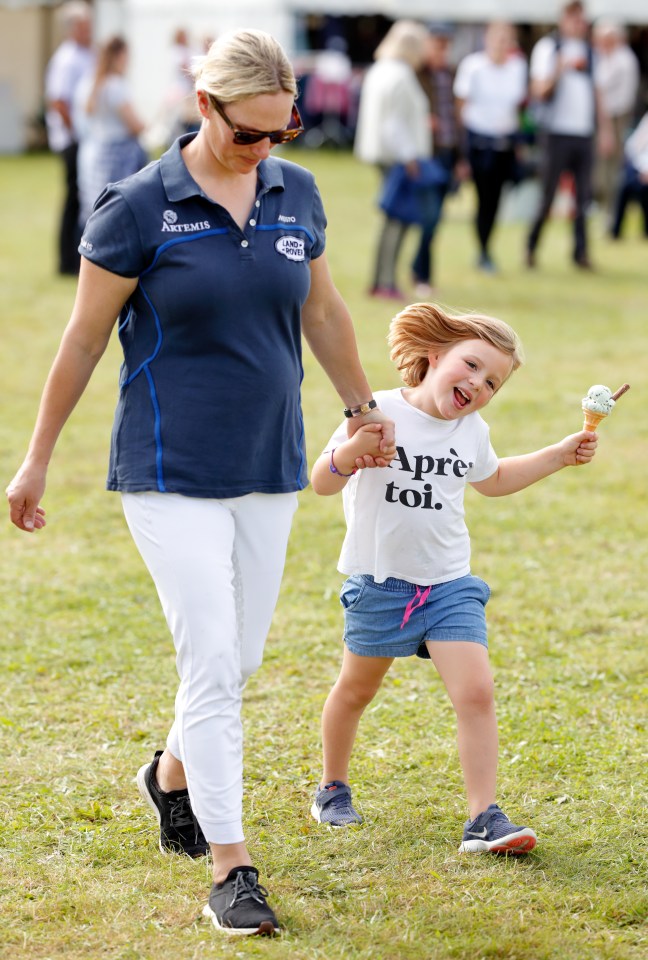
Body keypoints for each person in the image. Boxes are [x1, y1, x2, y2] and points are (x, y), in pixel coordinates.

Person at [6, 29, 394, 937]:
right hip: (168, 470)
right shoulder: (136, 206)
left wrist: (361, 405)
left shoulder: (296, 192)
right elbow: (82, 339)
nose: (265, 150)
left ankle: (169, 774)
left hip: (269, 462)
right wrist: (35, 458)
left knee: (241, 658)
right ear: (204, 104)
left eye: (281, 132)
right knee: (212, 661)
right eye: (247, 133)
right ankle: (232, 866)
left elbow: (324, 309)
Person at [308, 302, 599, 853]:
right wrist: (352, 452)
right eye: (470, 365)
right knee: (356, 690)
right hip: (381, 584)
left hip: (448, 584)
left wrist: (558, 456)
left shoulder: (471, 430)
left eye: (492, 382)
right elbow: (321, 481)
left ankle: (483, 817)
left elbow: (492, 479)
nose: (477, 384)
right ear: (434, 354)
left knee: (477, 692)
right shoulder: (375, 411)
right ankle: (332, 787)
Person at [526, 1, 613, 271]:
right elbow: (538, 90)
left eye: (581, 18)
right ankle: (531, 247)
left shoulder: (590, 51)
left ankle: (581, 253)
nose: (579, 23)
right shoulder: (549, 48)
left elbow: (597, 93)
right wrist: (559, 69)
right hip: (556, 131)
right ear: (563, 19)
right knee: (548, 194)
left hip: (583, 132)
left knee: (584, 197)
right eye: (574, 18)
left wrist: (605, 129)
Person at [354, 20, 432, 299]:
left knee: (392, 219)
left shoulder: (380, 69)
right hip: (398, 156)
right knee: (397, 220)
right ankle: (385, 281)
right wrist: (410, 157)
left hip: (382, 152)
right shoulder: (401, 74)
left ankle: (381, 280)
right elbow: (395, 123)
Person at [454, 21, 528, 273]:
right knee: (483, 198)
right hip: (479, 141)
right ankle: (483, 249)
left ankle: (486, 246)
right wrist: (461, 150)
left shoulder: (517, 68)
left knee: (496, 200)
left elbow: (517, 109)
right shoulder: (473, 66)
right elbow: (461, 106)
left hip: (505, 142)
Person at [44, 0, 94, 275]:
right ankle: (66, 260)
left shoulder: (87, 54)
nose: (89, 31)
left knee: (80, 196)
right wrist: (78, 134)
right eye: (84, 27)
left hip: (85, 138)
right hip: (73, 140)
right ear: (71, 29)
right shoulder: (66, 59)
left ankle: (76, 255)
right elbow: (59, 102)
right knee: (74, 196)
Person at [76, 36, 148, 226]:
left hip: (94, 152)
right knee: (120, 212)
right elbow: (134, 125)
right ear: (120, 55)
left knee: (95, 212)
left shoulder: (89, 83)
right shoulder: (116, 85)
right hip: (119, 156)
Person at [412, 23, 460, 296]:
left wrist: (460, 157)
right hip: (426, 154)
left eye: (445, 44)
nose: (442, 50)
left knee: (437, 217)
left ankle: (421, 270)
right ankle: (422, 275)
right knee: (428, 216)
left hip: (447, 152)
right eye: (437, 44)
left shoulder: (451, 75)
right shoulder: (417, 74)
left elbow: (458, 117)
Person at [593, 20, 640, 228]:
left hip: (616, 119)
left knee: (613, 170)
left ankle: (612, 217)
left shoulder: (622, 59)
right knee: (602, 170)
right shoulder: (608, 57)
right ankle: (606, 213)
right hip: (608, 118)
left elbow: (600, 87)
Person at [610, 111, 648, 238]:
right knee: (624, 185)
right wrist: (643, 168)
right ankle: (615, 231)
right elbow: (632, 145)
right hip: (639, 169)